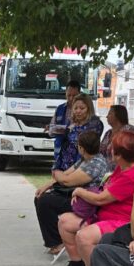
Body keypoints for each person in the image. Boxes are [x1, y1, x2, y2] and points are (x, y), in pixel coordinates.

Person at [58, 131, 134, 266]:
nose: (109, 150)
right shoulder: (123, 167)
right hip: (102, 215)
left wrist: (79, 191)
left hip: (122, 223)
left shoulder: (132, 175)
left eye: (112, 149)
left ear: (118, 155)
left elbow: (100, 199)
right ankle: (78, 263)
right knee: (64, 222)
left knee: (83, 237)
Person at [34, 93, 104, 254]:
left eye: (82, 108)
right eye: (76, 108)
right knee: (42, 197)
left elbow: (66, 181)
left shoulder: (94, 162)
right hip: (70, 181)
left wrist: (57, 174)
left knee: (45, 202)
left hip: (83, 200)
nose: (78, 111)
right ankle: (55, 241)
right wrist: (48, 183)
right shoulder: (84, 159)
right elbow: (65, 177)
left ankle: (58, 242)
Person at [99, 105, 134, 170]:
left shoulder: (129, 130)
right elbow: (100, 151)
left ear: (118, 115)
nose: (106, 116)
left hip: (122, 171)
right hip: (104, 171)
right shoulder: (108, 133)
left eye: (109, 114)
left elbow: (130, 154)